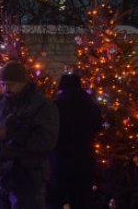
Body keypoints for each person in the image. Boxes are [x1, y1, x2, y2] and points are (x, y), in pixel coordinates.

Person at [0, 61, 59, 209]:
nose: (6, 88)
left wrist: (8, 135)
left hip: (26, 175)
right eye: (3, 84)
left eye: (11, 84)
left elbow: (46, 140)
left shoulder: (42, 105)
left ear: (23, 82)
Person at [47, 71, 102, 209]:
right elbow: (98, 126)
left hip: (59, 159)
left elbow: (49, 131)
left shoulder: (55, 106)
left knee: (55, 199)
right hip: (84, 158)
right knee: (81, 199)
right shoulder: (91, 106)